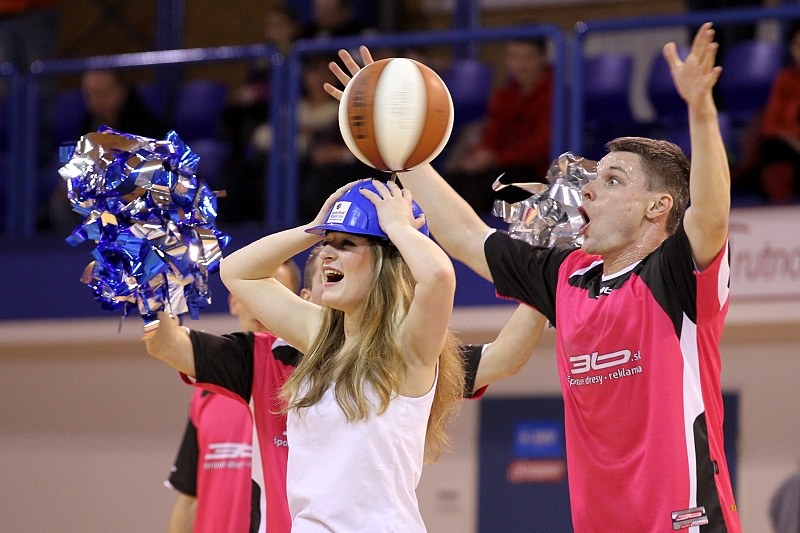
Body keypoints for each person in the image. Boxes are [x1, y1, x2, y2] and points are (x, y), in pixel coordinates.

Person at [326, 22, 741, 531]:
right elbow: (463, 234)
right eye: (592, 179)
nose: (588, 191)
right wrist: (398, 148)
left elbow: (712, 217)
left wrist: (701, 110)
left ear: (658, 206)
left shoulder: (675, 274)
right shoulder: (566, 274)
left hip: (687, 521)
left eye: (612, 181)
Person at [148, 236, 546, 532]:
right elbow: (236, 271)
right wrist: (317, 224)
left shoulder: (408, 349)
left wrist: (397, 225)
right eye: (327, 245)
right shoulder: (282, 347)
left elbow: (440, 278)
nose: (327, 254)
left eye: (345, 244)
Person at [164, 259, 301, 533]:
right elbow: (190, 497)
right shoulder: (205, 394)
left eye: (277, 292)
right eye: (255, 291)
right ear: (234, 302)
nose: (262, 305)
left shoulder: (306, 387)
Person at [444, 38, 553, 214]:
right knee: (450, 183)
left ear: (542, 58)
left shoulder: (556, 94)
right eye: (514, 57)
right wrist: (480, 156)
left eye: (528, 57)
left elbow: (541, 146)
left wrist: (496, 158)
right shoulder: (503, 96)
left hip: (535, 174)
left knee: (481, 190)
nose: (521, 65)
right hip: (500, 168)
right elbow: (492, 135)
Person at [756, 21, 800, 202]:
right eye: (798, 45)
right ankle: (781, 206)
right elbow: (771, 125)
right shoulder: (785, 79)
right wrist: (795, 141)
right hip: (793, 148)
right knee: (773, 148)